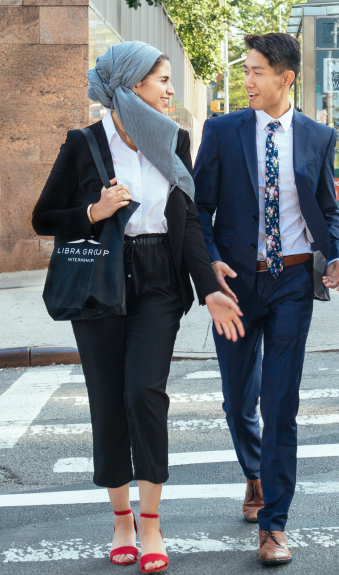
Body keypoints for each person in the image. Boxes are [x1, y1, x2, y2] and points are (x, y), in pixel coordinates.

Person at [32, 41, 244, 573]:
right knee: (107, 398)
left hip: (158, 281)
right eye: (162, 80)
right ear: (129, 87)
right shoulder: (84, 143)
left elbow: (188, 221)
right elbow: (42, 217)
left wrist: (209, 285)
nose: (171, 90)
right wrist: (93, 210)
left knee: (144, 392)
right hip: (101, 280)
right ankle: (121, 516)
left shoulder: (173, 139)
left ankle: (150, 521)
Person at [194, 33, 339, 565]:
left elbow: (328, 209)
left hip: (292, 281)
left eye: (258, 71)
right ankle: (255, 473)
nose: (248, 80)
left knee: (281, 404)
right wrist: (210, 265)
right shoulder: (221, 131)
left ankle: (274, 524)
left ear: (287, 78)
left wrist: (338, 254)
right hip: (235, 284)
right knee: (239, 401)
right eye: (246, 70)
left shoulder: (317, 136)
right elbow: (200, 212)